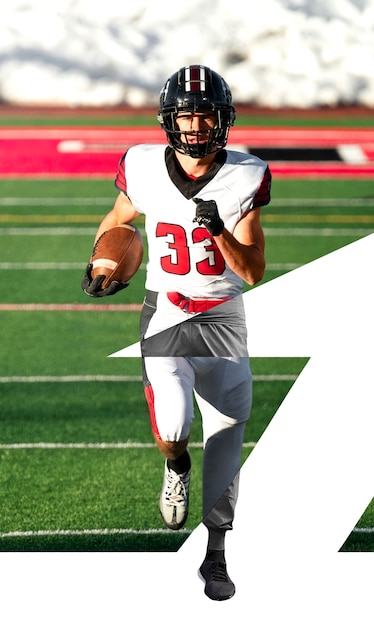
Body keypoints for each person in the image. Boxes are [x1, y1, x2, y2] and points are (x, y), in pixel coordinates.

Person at [82, 64, 271, 601]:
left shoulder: (247, 174)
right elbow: (119, 218)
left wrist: (218, 232)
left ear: (222, 119)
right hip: (165, 310)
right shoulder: (142, 164)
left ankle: (215, 554)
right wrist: (102, 261)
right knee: (175, 425)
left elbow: (253, 270)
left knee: (229, 435)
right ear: (169, 119)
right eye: (185, 114)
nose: (194, 125)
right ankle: (176, 465)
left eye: (204, 114)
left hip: (222, 319)